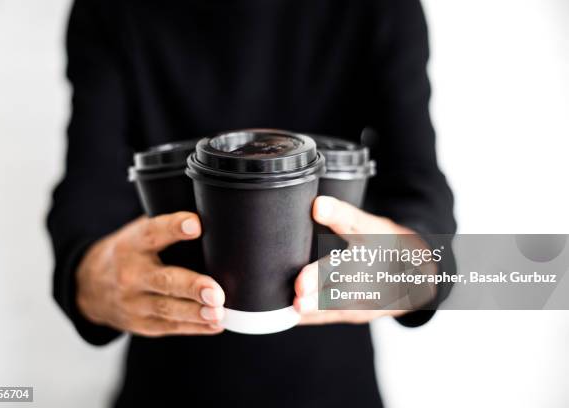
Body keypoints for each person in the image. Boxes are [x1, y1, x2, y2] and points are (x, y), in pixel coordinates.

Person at [47, 0, 456, 406]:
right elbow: (88, 192)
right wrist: (91, 275)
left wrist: (415, 267)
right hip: (168, 376)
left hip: (331, 380)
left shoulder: (384, 8)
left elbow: (420, 188)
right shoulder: (109, 10)